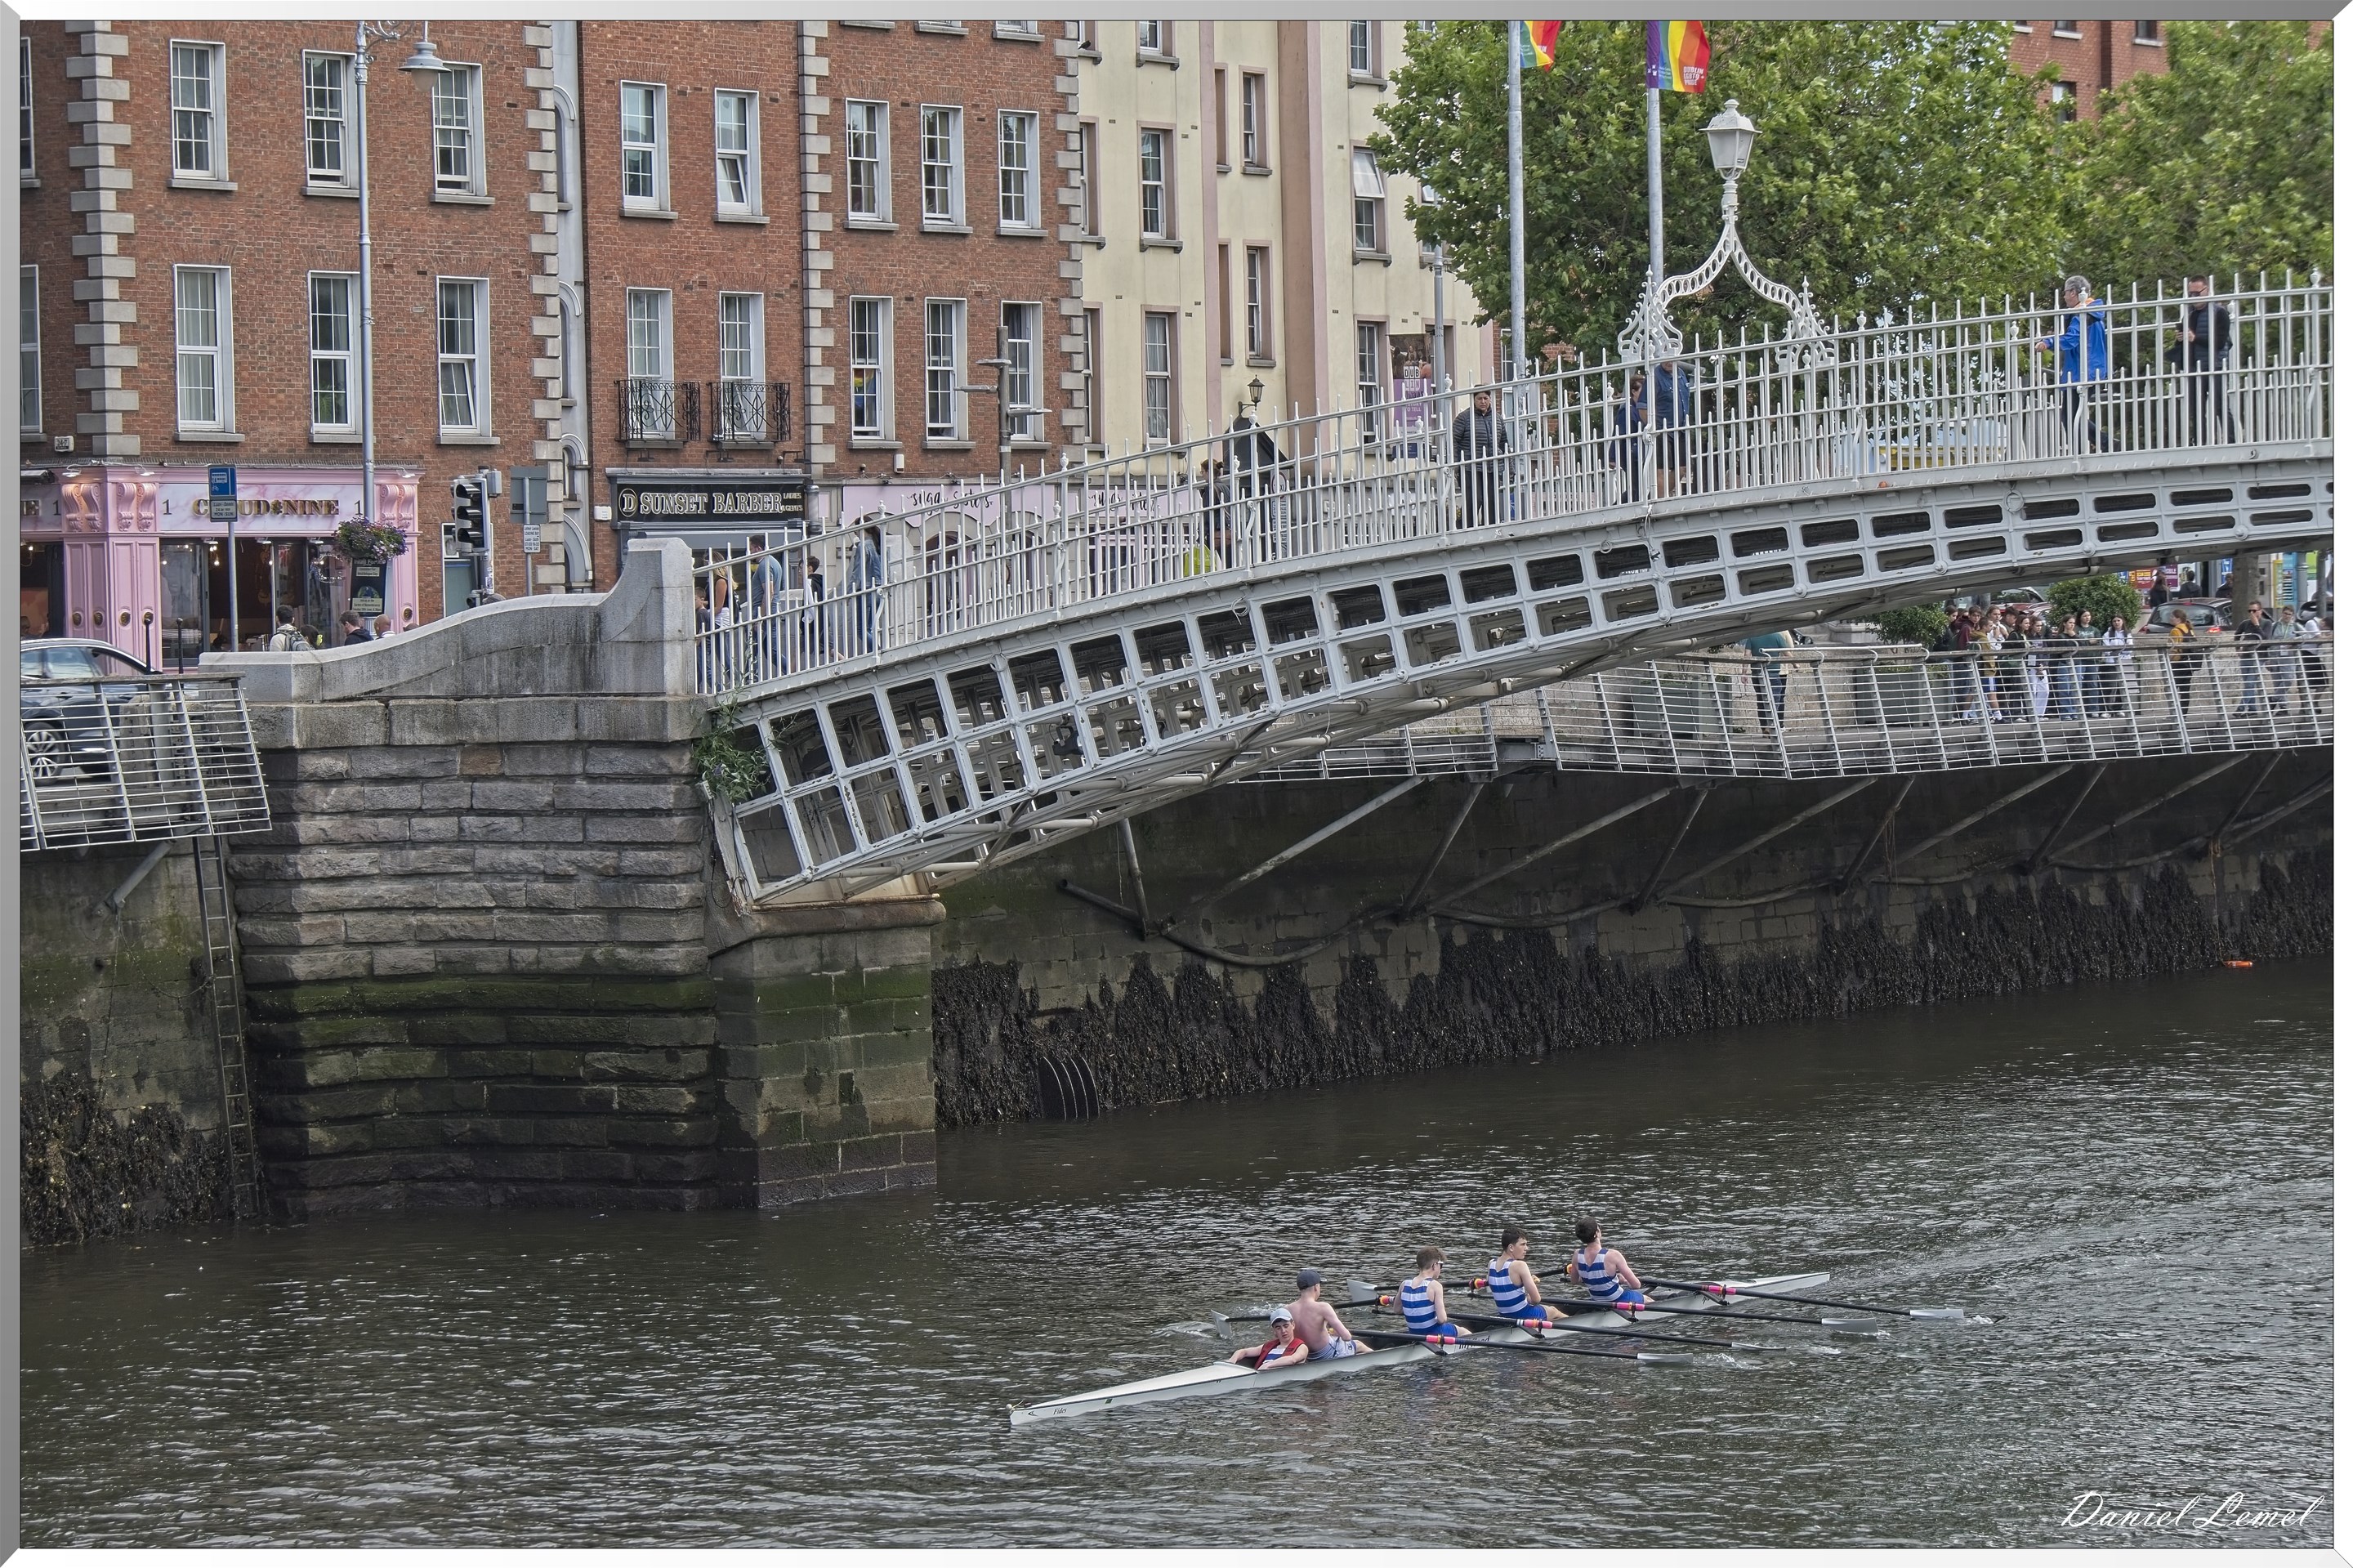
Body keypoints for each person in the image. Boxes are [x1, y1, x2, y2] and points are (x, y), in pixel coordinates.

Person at [2038, 275, 2110, 453]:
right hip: (2092, 369)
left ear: (2073, 292)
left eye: (2065, 293)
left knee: (2070, 417)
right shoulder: (2093, 313)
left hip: (2082, 371)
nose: (2064, 297)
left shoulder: (2082, 314)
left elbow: (2072, 339)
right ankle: (2098, 444)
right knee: (2072, 415)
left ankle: (2094, 447)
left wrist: (2049, 342)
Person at [2176, 276, 2235, 442]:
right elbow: (2185, 343)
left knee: (2220, 406)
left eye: (2197, 293)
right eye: (2191, 294)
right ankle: (2200, 442)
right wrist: (2180, 339)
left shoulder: (2219, 312)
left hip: (2216, 365)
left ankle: (2230, 441)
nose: (2193, 297)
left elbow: (2220, 342)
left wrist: (2195, 338)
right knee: (2197, 409)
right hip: (2195, 367)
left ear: (2207, 291)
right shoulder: (2189, 314)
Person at [1485, 1227, 1570, 1328]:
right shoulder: (1520, 1265)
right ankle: (1574, 1325)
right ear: (1511, 1247)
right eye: (1523, 1244)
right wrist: (1531, 1285)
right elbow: (1536, 1300)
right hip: (1523, 1315)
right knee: (1553, 1311)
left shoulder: (1491, 1264)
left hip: (1504, 1315)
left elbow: (1492, 1290)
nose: (1526, 1248)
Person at [1451, 388, 1507, 527]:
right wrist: (1455, 463)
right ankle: (1465, 528)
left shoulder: (1497, 418)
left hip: (1491, 465)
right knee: (1474, 499)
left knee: (1492, 500)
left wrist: (1509, 467)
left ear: (1490, 400)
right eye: (1479, 399)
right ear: (1474, 400)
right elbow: (1453, 441)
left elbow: (1504, 443)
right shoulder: (1464, 418)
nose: (1483, 402)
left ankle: (1493, 528)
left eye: (1486, 398)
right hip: (1470, 466)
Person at [1288, 1269, 1372, 1360]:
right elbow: (1347, 1337)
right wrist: (1336, 1333)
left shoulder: (1288, 1309)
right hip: (1328, 1354)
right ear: (1316, 1287)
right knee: (1359, 1344)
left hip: (1305, 1354)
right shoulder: (1323, 1307)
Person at [1570, 1217, 1649, 1310]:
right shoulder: (1613, 1255)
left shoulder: (1577, 1255)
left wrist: (1590, 1276)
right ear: (1596, 1233)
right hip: (1617, 1299)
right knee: (1648, 1300)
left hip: (1597, 1301)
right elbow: (1636, 1285)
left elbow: (1574, 1281)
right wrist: (1623, 1280)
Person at [1396, 1247, 1466, 1344]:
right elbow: (1442, 1319)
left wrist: (1415, 1310)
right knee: (1463, 1331)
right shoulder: (1435, 1286)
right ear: (1435, 1265)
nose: (1441, 1269)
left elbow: (1397, 1310)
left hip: (1413, 1333)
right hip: (1434, 1333)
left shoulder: (1404, 1284)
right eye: (1441, 1265)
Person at [1227, 1307, 1310, 1372]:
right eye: (1278, 1328)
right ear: (1274, 1330)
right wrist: (1231, 1362)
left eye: (1286, 1326)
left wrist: (1268, 1365)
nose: (1283, 1331)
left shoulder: (1302, 1347)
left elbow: (1293, 1359)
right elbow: (1244, 1352)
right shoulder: (1268, 1346)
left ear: (1293, 1325)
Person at [1743, 628, 1792, 730]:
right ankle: (1772, 725)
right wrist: (1796, 665)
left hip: (1757, 674)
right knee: (1775, 699)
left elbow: (1747, 655)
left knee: (1761, 700)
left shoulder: (1752, 637)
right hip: (1773, 674)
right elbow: (1788, 654)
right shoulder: (1777, 636)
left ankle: (1764, 727)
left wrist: (1744, 673)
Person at [2233, 601, 2270, 714]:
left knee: (2250, 682)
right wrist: (2238, 648)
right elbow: (2237, 634)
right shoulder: (2245, 623)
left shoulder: (2267, 623)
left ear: (2260, 611)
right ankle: (2252, 709)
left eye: (2254, 611)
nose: (2251, 613)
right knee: (2248, 683)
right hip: (2246, 655)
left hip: (2259, 657)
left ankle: (2241, 707)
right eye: (2249, 611)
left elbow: (2266, 640)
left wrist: (2257, 626)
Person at [2166, 608, 2200, 717]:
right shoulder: (2189, 629)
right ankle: (2183, 714)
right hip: (2188, 663)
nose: (2171, 618)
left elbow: (2172, 648)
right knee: (2185, 690)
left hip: (2178, 663)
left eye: (2172, 617)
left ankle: (2174, 713)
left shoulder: (2175, 631)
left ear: (2178, 619)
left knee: (2170, 689)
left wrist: (2169, 659)